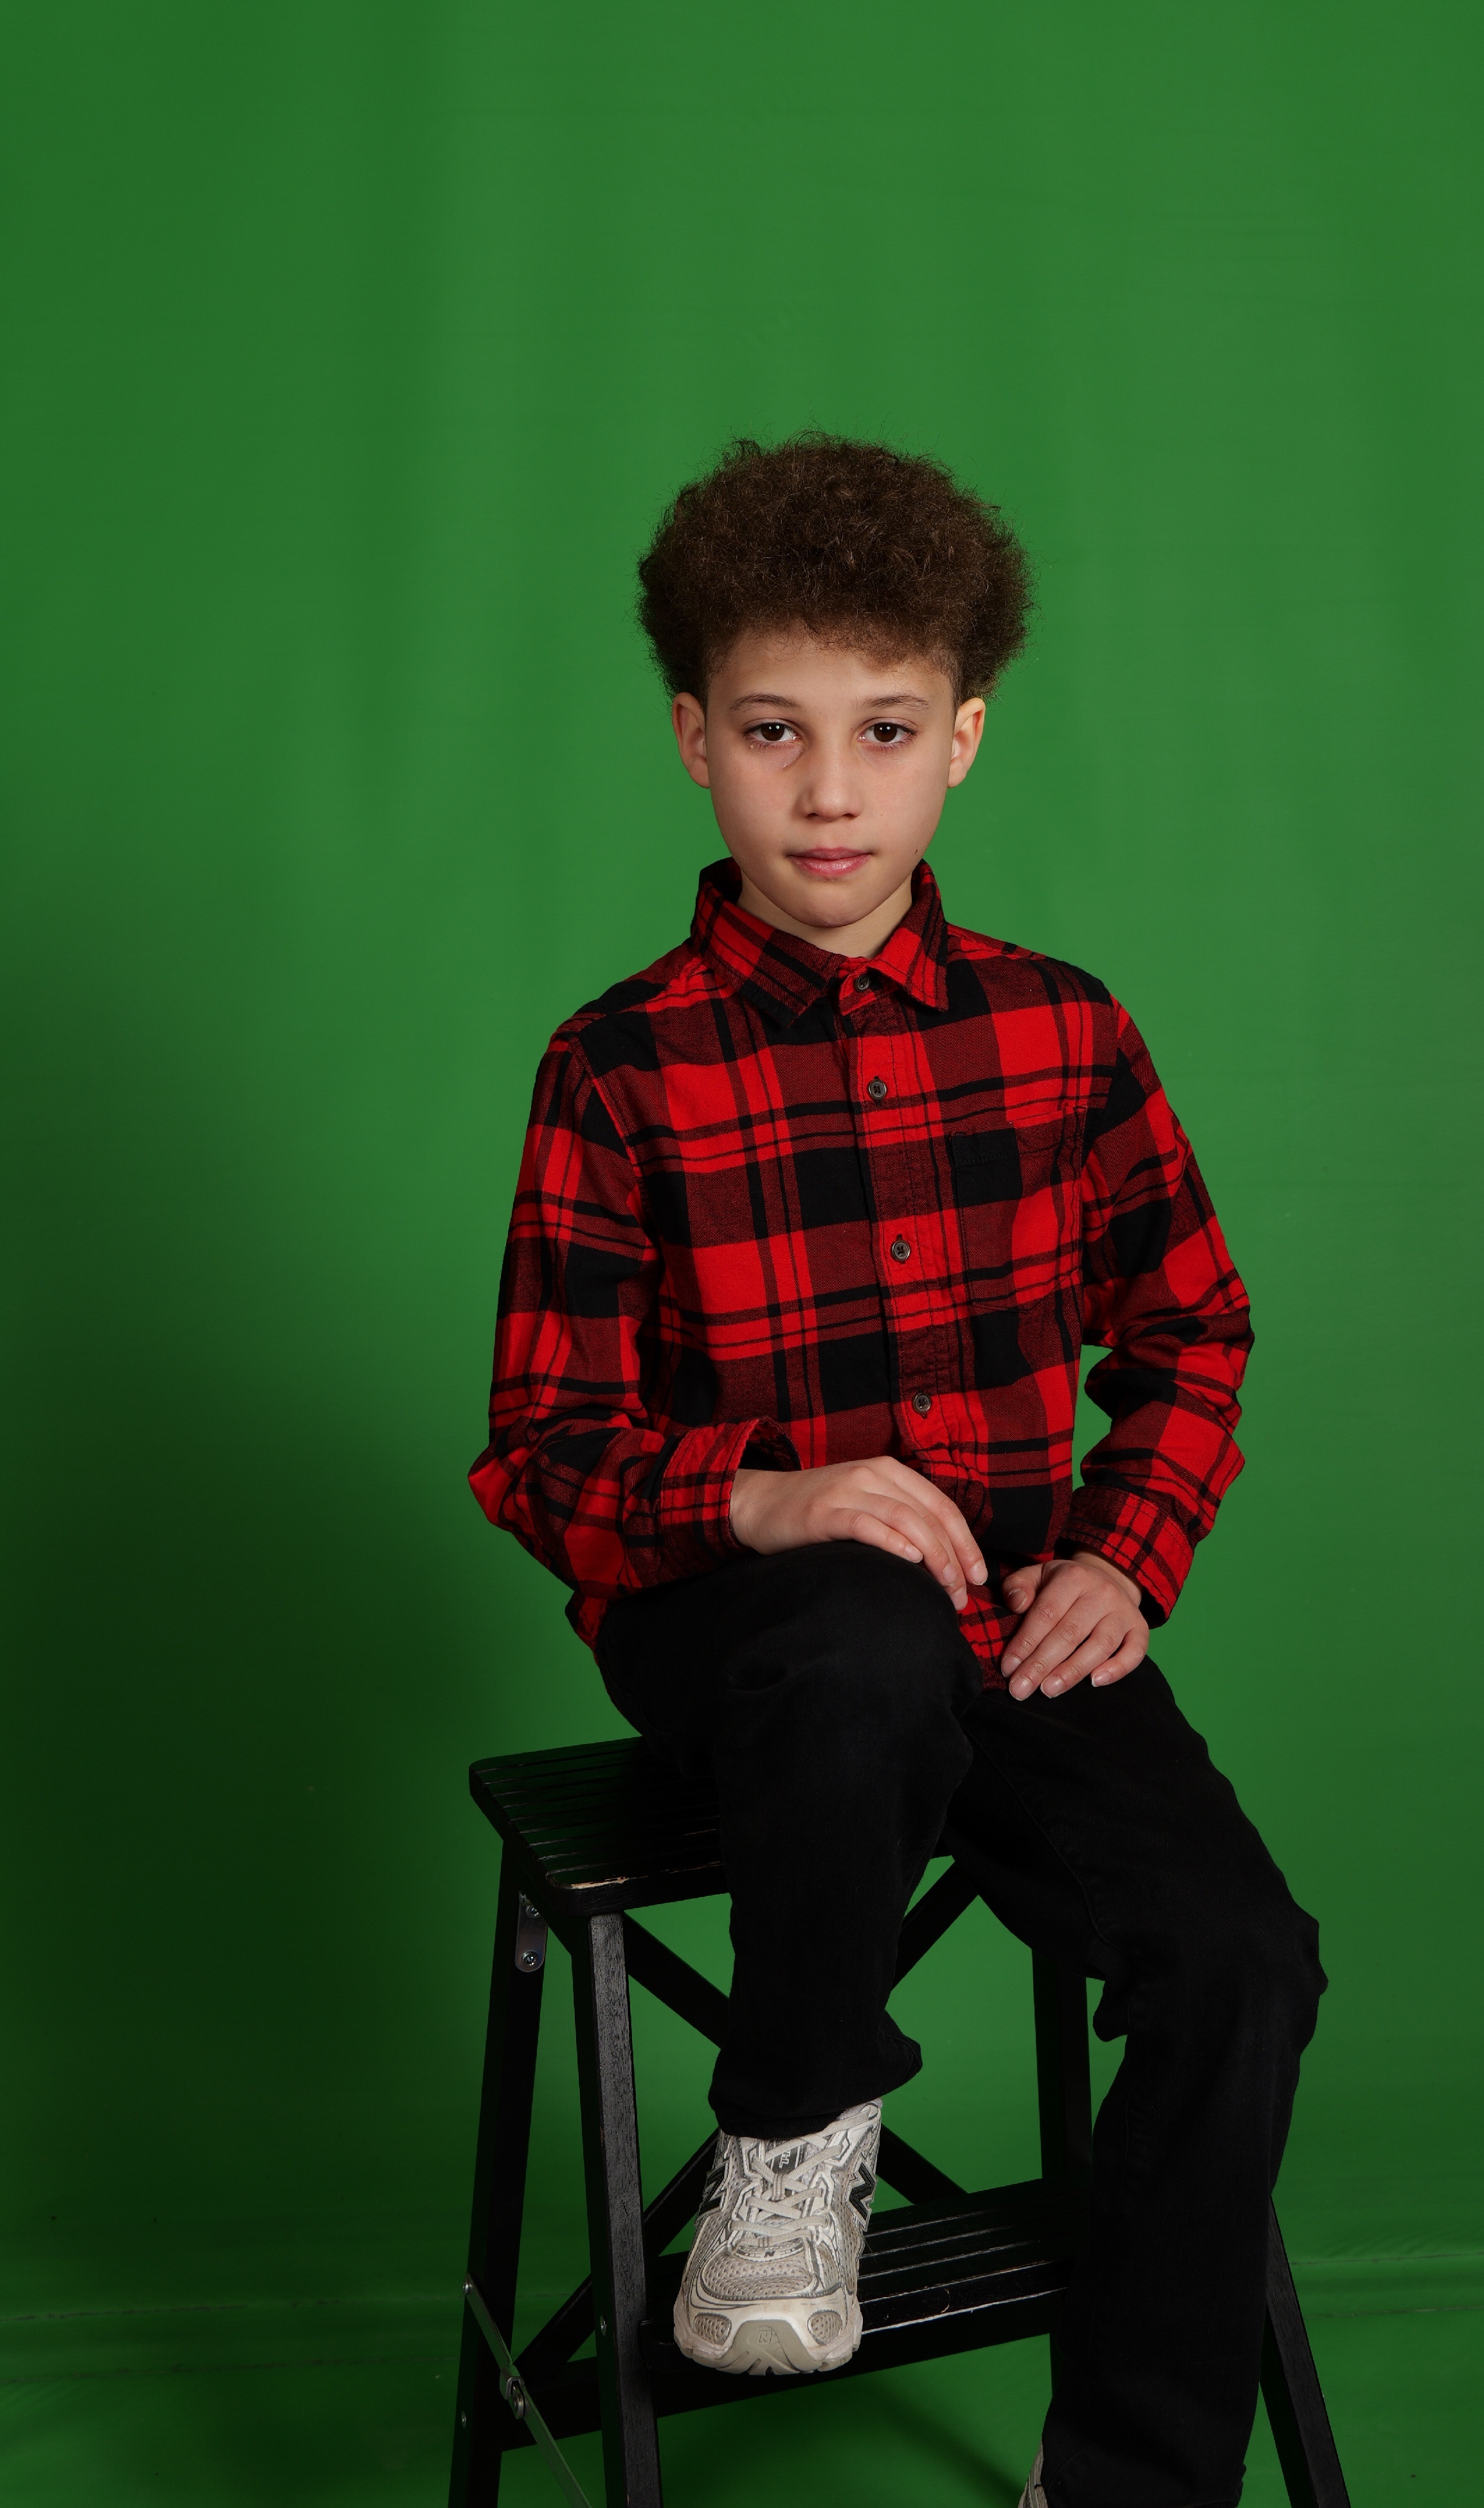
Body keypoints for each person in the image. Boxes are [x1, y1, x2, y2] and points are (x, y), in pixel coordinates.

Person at [469, 433, 1325, 2508]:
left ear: (964, 737)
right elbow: (541, 1446)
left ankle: (1125, 2482)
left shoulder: (1065, 1034)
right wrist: (763, 1494)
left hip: (1009, 1621)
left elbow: (1195, 1330)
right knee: (854, 1619)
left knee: (1240, 1955)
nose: (829, 792)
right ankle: (793, 2133)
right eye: (775, 732)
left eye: (881, 730)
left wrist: (1121, 1559)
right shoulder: (619, 1067)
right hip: (744, 1636)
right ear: (697, 740)